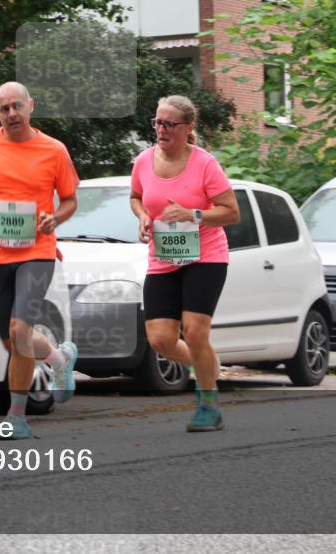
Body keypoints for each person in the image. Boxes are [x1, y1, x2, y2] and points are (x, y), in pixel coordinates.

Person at [0, 81, 80, 440]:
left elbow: (71, 199)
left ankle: (16, 416)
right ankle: (59, 359)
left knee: (19, 331)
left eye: (17, 106)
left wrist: (56, 219)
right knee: (11, 343)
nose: (11, 113)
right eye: (3, 109)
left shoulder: (54, 150)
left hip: (38, 253)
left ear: (30, 106)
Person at [130, 95, 240, 432]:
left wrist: (194, 214)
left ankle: (208, 404)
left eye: (169, 124)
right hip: (163, 257)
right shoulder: (144, 161)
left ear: (187, 127)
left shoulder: (205, 164)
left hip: (205, 255)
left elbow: (231, 212)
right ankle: (206, 364)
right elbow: (136, 197)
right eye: (157, 123)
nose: (161, 130)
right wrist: (143, 217)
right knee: (160, 339)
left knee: (194, 331)